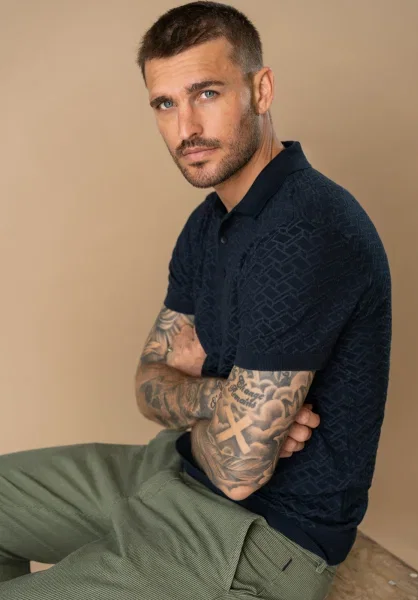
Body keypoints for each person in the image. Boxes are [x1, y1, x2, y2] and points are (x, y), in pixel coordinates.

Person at [0, 2, 392, 599]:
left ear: (261, 89)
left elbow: (239, 471)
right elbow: (147, 384)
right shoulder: (209, 223)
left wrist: (211, 404)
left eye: (206, 93)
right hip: (171, 467)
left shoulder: (309, 231)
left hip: (259, 537)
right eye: (165, 104)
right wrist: (224, 400)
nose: (186, 128)